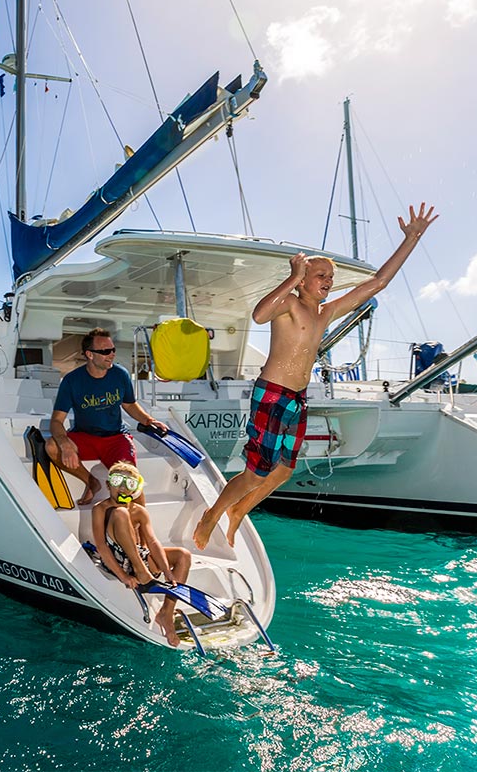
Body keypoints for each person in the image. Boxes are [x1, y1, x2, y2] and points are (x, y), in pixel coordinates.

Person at [193, 203, 439, 549]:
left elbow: (378, 283)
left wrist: (411, 239)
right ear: (304, 280)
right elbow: (260, 314)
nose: (329, 281)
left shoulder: (325, 313)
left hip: (297, 397)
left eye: (330, 277)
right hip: (273, 393)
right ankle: (212, 515)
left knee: (283, 471)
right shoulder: (289, 305)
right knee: (256, 472)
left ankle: (238, 513)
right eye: (321, 275)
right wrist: (291, 278)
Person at [47, 327, 167, 504]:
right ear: (89, 354)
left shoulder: (120, 374)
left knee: (129, 481)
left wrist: (148, 420)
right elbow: (57, 420)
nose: (111, 355)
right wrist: (65, 444)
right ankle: (91, 482)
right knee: (52, 446)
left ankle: (141, 525)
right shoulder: (72, 380)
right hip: (85, 436)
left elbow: (129, 404)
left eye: (112, 350)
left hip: (116, 437)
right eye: (105, 351)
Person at [91, 461, 191, 646]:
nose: (122, 488)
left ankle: (166, 613)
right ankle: (141, 570)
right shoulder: (100, 509)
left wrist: (167, 571)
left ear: (134, 489)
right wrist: (123, 577)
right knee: (120, 512)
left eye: (128, 484)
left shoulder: (139, 511)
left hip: (140, 560)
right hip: (118, 560)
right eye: (117, 482)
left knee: (183, 555)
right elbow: (102, 547)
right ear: (108, 485)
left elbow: (153, 542)